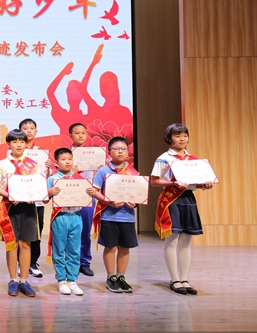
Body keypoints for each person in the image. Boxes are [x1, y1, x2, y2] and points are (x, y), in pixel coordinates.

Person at [150, 123, 213, 295]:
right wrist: (173, 183)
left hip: (188, 199)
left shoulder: (194, 160)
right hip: (171, 200)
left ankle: (185, 279)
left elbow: (197, 181)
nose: (182, 139)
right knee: (172, 240)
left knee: (186, 241)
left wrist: (204, 184)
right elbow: (154, 181)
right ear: (169, 138)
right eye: (178, 136)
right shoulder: (164, 158)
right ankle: (174, 279)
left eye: (185, 135)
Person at [0, 129, 39, 297]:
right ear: (8, 144)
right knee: (12, 244)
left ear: (26, 144)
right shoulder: (2, 164)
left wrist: (34, 195)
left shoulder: (33, 164)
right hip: (10, 208)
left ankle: (24, 281)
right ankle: (13, 280)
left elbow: (37, 185)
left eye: (22, 141)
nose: (19, 145)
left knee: (26, 244)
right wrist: (9, 195)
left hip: (28, 208)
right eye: (15, 141)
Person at [90, 137, 138, 293]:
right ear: (109, 152)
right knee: (110, 247)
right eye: (116, 149)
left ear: (128, 152)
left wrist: (135, 203)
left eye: (123, 149)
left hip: (128, 216)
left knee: (125, 248)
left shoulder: (132, 172)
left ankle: (121, 276)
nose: (120, 152)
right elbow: (94, 191)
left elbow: (138, 193)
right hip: (109, 216)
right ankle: (111, 277)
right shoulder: (103, 171)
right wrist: (107, 201)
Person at [47, 148, 85, 296]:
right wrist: (50, 192)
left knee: (74, 250)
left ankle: (72, 280)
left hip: (76, 216)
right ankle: (61, 280)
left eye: (70, 159)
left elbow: (86, 196)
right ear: (56, 162)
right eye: (63, 159)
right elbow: (44, 199)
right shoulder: (52, 179)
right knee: (59, 250)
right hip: (60, 216)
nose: (67, 162)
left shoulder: (79, 178)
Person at [19, 118, 51, 278]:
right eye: (25, 128)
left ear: (36, 132)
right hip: (20, 199)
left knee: (36, 232)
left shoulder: (41, 153)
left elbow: (45, 177)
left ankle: (33, 262)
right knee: (21, 233)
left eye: (31, 128)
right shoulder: (16, 151)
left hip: (37, 199)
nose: (28, 131)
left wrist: (48, 169)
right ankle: (20, 262)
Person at [69, 122, 97, 277]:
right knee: (69, 231)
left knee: (85, 230)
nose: (80, 135)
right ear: (70, 136)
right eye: (77, 133)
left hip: (87, 195)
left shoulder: (94, 154)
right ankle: (70, 262)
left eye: (83, 133)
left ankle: (84, 262)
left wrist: (99, 170)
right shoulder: (65, 154)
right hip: (69, 196)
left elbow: (98, 177)